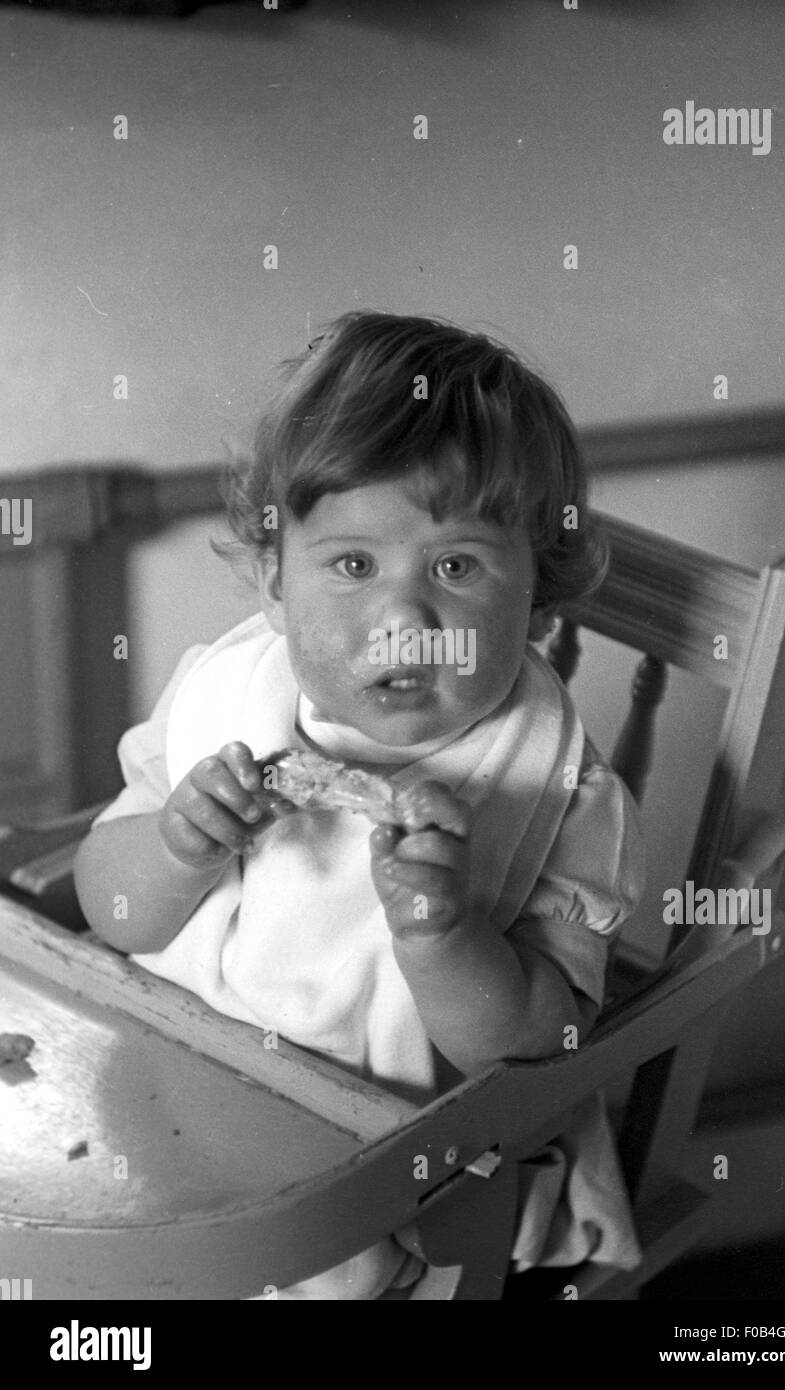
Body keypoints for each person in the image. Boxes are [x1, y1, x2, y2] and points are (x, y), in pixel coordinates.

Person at [74, 310, 646, 1299]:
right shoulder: (228, 696)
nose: (403, 616)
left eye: (457, 566)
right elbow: (104, 909)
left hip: (384, 1170)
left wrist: (443, 928)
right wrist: (175, 849)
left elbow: (539, 1045)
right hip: (169, 1076)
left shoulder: (564, 790)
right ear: (272, 583)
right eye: (351, 565)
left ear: (540, 596)